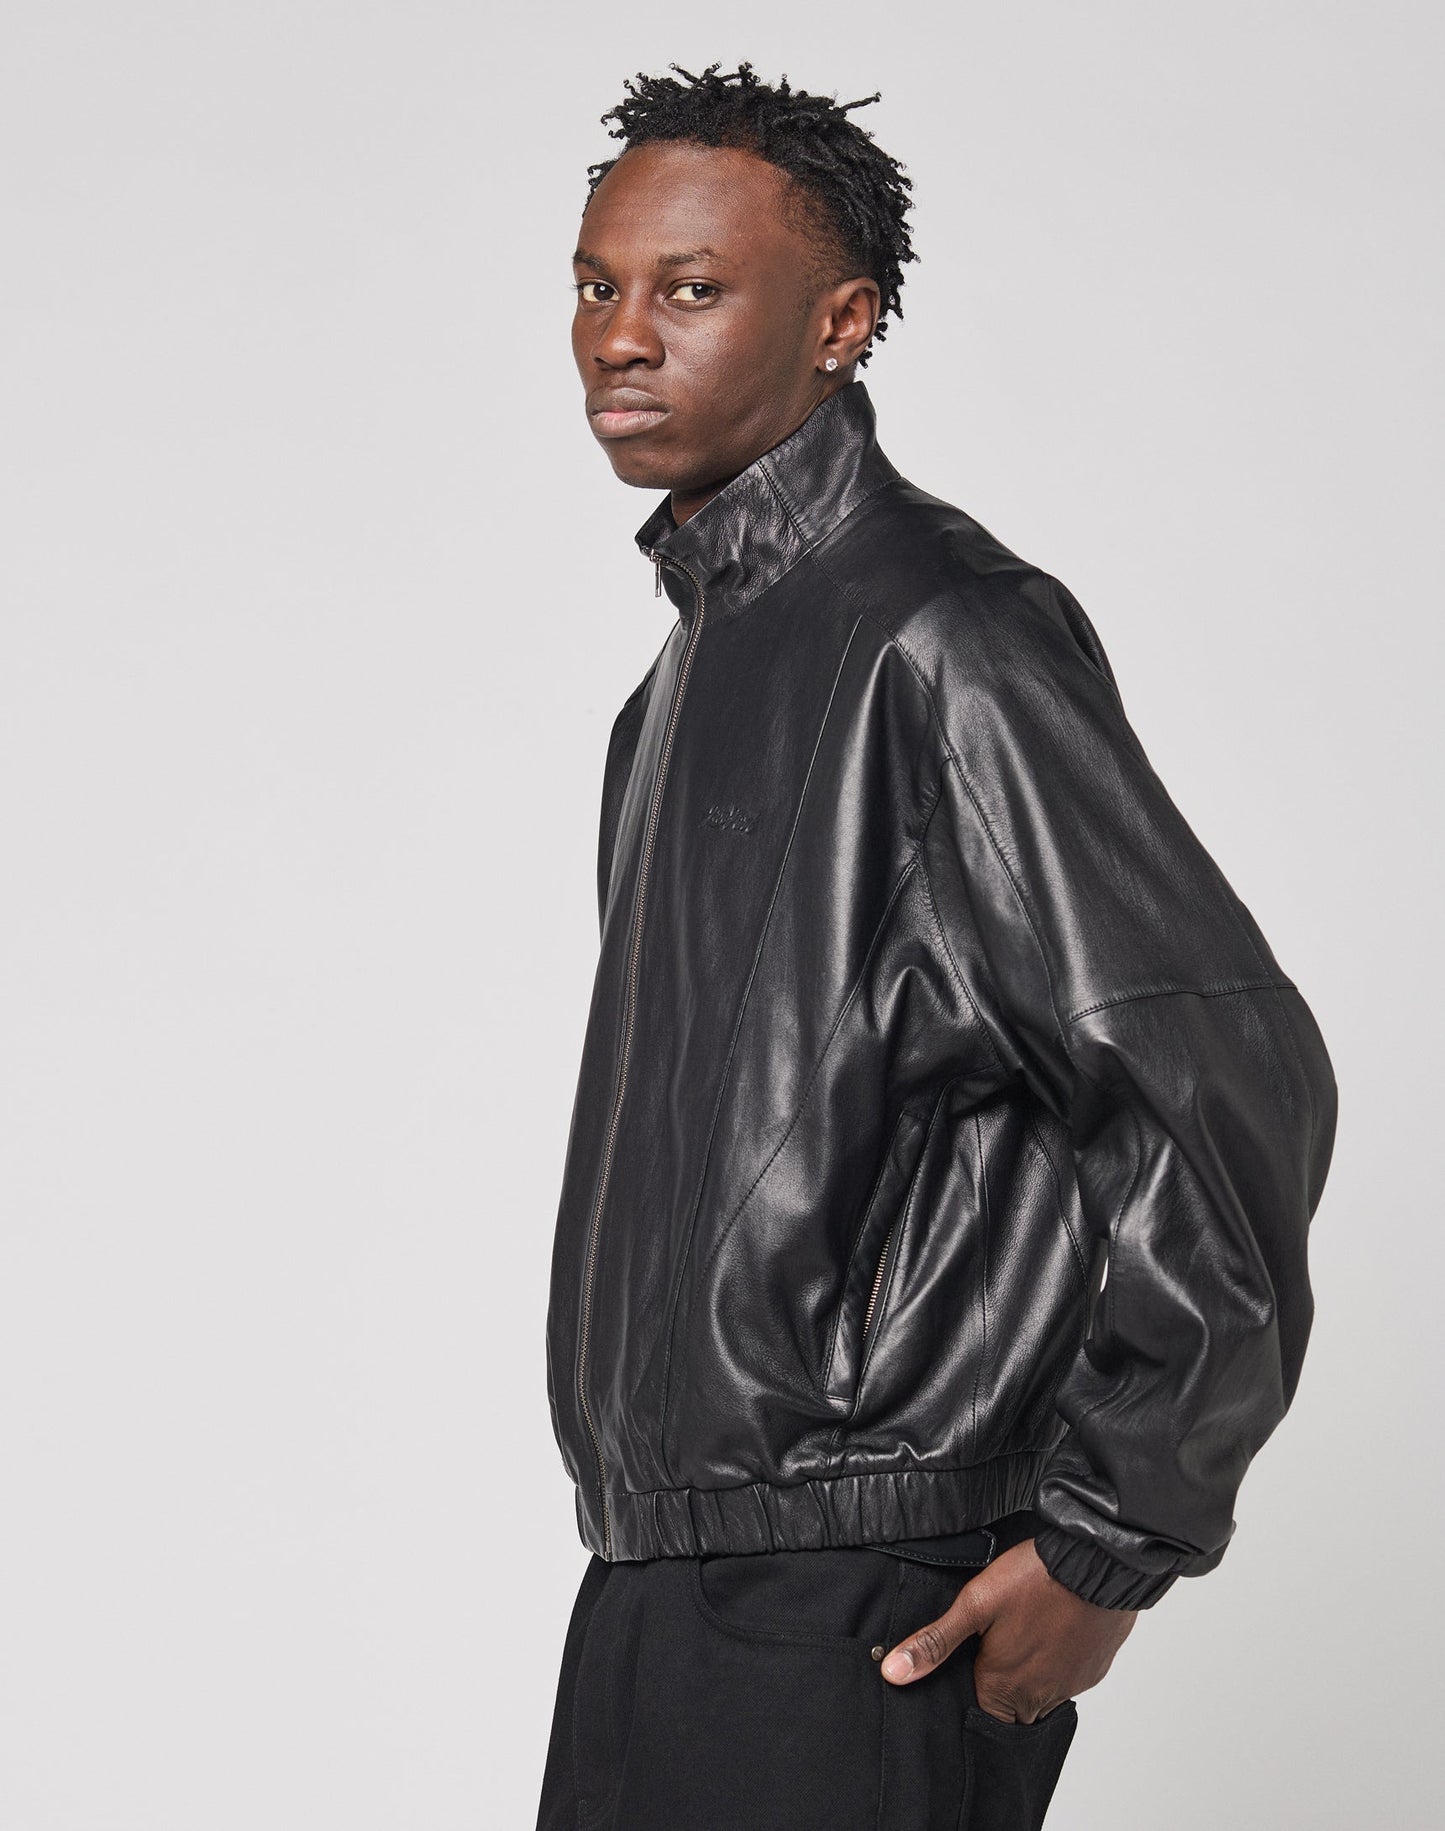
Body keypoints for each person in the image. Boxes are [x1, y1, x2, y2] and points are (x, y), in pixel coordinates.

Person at [535, 62, 1337, 1831]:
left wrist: (1112, 1540)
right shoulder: (670, 691)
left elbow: (1218, 1069)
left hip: (865, 1589)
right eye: (598, 284)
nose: (619, 337)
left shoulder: (944, 639)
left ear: (841, 322)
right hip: (666, 1576)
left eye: (688, 288)